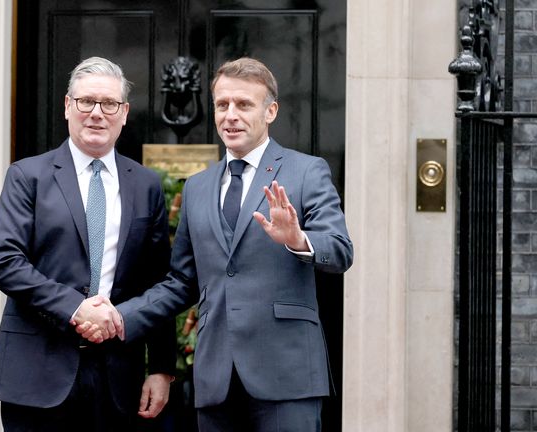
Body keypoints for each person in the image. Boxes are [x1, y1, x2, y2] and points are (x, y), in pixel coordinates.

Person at [78, 57, 354, 431]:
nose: (230, 115)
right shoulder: (197, 187)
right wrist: (121, 316)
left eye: (244, 105)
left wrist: (298, 239)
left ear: (270, 111)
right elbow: (182, 282)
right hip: (216, 380)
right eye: (222, 105)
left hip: (287, 374)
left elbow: (339, 250)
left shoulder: (306, 171)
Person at [0, 56, 176, 432]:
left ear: (124, 114)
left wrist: (162, 369)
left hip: (119, 377)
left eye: (109, 104)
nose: (96, 113)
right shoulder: (28, 176)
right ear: (68, 106)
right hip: (38, 373)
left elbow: (157, 281)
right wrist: (76, 308)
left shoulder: (146, 185)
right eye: (86, 101)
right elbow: (2, 261)